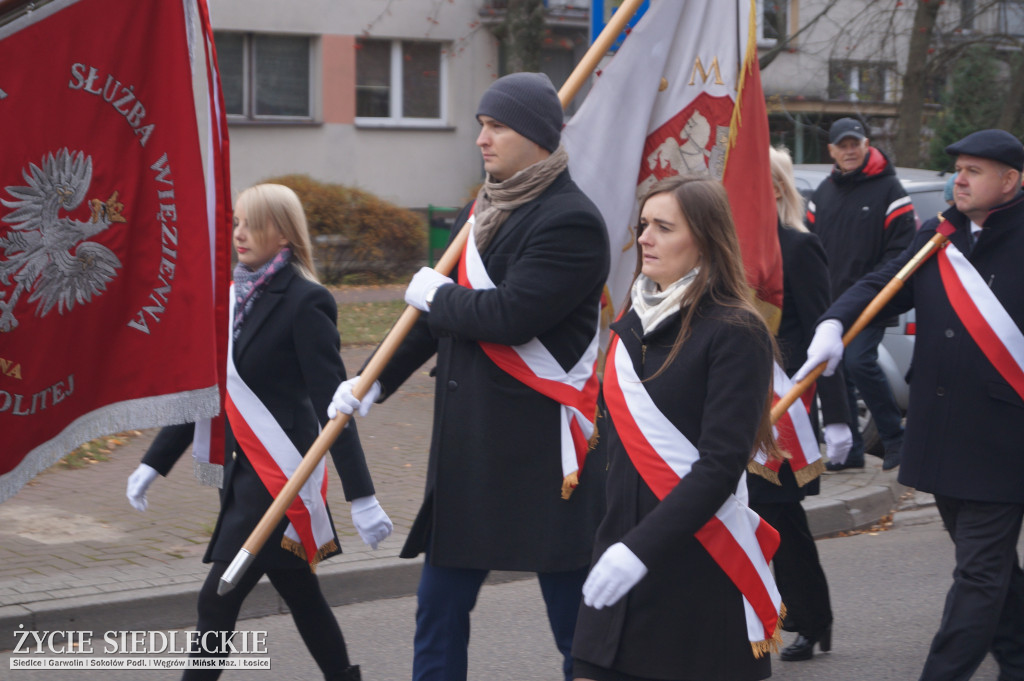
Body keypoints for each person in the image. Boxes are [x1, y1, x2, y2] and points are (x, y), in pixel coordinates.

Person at [331, 72, 610, 681]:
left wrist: (437, 297)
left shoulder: (572, 221)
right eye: (481, 124)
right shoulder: (482, 208)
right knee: (438, 610)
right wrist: (373, 380)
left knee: (574, 621)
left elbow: (510, 316)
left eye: (497, 126)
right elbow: (430, 320)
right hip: (471, 453)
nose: (481, 139)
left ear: (537, 137)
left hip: (539, 456)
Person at [125, 183, 393, 681]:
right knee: (302, 597)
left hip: (281, 479)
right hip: (244, 473)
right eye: (236, 222)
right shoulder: (230, 298)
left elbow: (333, 403)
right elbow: (211, 391)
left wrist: (363, 495)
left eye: (253, 223)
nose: (240, 234)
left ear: (283, 232)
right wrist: (153, 462)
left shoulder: (306, 301)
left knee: (217, 598)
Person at [797, 129, 1024, 680]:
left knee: (977, 575)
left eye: (974, 170)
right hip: (943, 432)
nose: (959, 180)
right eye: (958, 169)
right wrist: (835, 321)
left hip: (1004, 438)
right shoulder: (939, 234)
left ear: (1011, 181)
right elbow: (880, 282)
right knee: (991, 572)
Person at [571, 175, 781, 681]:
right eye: (644, 225)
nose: (644, 238)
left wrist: (638, 551)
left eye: (663, 227)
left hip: (695, 573)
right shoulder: (631, 324)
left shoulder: (735, 330)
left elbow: (720, 465)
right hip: (618, 561)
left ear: (706, 240)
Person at [746, 146, 852, 662]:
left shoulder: (798, 248)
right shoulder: (722, 249)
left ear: (772, 189)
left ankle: (812, 620)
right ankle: (750, 623)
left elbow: (822, 338)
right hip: (727, 403)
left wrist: (836, 418)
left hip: (777, 411)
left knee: (781, 523)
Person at [806, 117, 916, 471]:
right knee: (835, 374)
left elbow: (901, 251)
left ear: (867, 144)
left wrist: (870, 288)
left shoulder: (891, 192)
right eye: (843, 145)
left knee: (858, 362)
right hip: (831, 306)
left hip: (873, 301)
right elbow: (809, 248)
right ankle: (851, 451)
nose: (849, 151)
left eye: (855, 143)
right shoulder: (822, 193)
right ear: (832, 151)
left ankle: (894, 439)